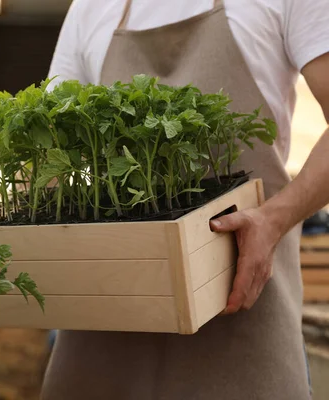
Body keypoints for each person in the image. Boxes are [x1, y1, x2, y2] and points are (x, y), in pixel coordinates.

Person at [42, 0, 329, 399]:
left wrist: (274, 220)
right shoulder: (91, 7)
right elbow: (49, 145)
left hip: (241, 305)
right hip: (111, 321)